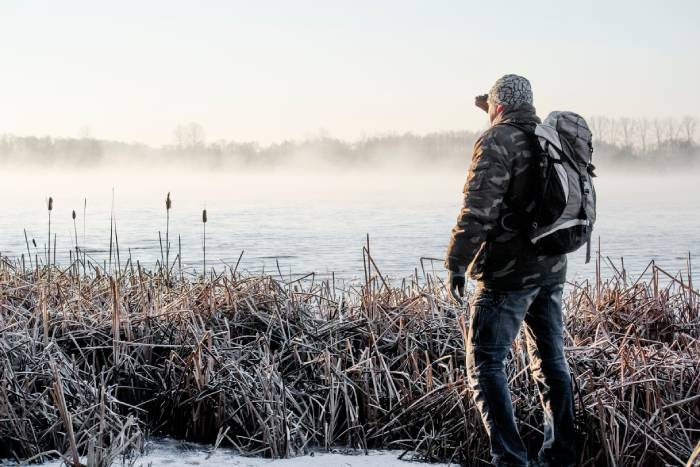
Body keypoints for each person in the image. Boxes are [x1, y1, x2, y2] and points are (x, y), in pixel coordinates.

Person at [445, 74, 576, 467]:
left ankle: (511, 460)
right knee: (551, 361)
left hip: (508, 273)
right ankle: (561, 456)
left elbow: (478, 209)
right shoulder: (549, 135)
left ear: (498, 106)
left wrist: (456, 261)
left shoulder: (497, 139)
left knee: (485, 362)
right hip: (552, 266)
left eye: (490, 108)